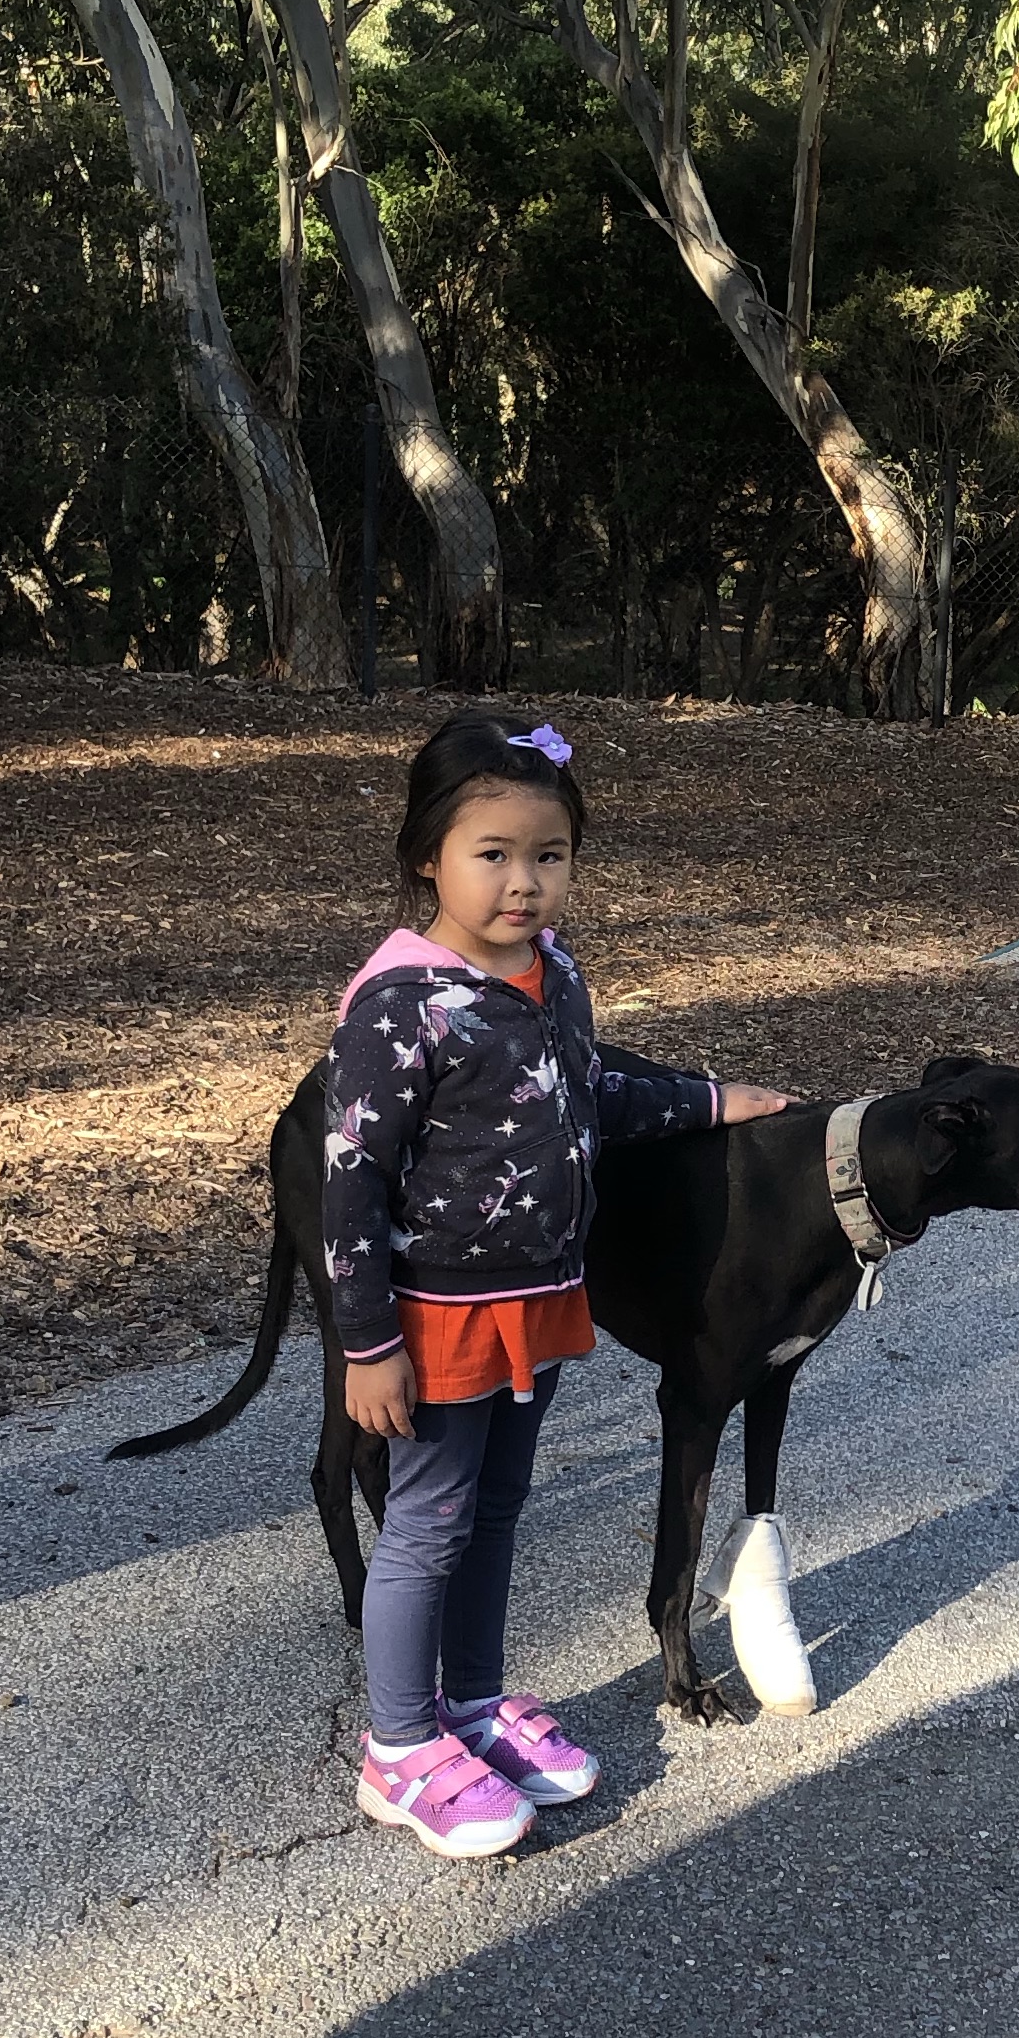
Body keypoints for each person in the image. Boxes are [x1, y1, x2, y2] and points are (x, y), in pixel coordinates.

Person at [324, 712, 789, 1857]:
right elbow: (350, 1188)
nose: (524, 882)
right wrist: (367, 1344)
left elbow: (594, 1097)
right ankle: (398, 1749)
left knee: (493, 1516)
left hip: (538, 1300)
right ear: (425, 856)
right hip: (433, 1319)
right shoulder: (402, 1006)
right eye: (493, 854)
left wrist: (712, 1099)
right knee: (426, 1527)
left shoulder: (552, 977)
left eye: (550, 856)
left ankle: (472, 1707)